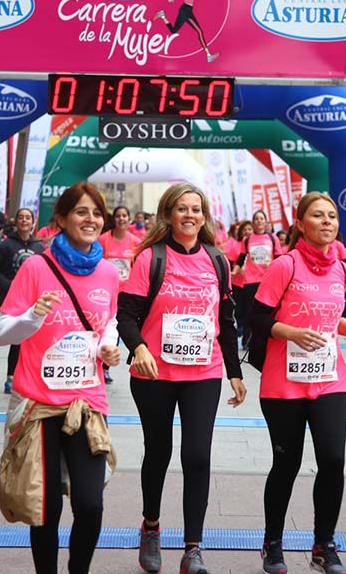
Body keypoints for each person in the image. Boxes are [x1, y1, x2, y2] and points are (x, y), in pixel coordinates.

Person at [0, 183, 122, 574]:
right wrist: (34, 316)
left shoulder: (108, 273)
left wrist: (109, 348)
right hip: (39, 405)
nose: (91, 220)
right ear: (62, 219)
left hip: (86, 405)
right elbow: (0, 334)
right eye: (81, 212)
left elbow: (108, 323)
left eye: (97, 213)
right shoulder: (36, 267)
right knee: (45, 507)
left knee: (90, 503)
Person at [117, 183, 247, 574]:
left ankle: (193, 549)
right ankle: (151, 527)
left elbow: (225, 321)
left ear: (204, 217)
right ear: (169, 215)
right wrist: (139, 347)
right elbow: (125, 316)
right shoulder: (150, 259)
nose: (190, 215)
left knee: (196, 456)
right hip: (154, 372)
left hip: (202, 373)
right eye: (182, 209)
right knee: (158, 452)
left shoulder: (217, 260)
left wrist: (235, 372)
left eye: (197, 209)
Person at [249, 193, 346, 574]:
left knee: (333, 460)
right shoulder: (286, 265)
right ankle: (272, 543)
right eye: (318, 215)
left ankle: (325, 544)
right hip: (284, 383)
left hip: (329, 379)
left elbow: (330, 316)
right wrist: (293, 333)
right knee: (287, 463)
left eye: (332, 216)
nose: (327, 221)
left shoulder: (342, 269)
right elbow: (257, 318)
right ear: (301, 223)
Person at [0, 208, 46, 394]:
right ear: (16, 221)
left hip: (32, 302)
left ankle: (27, 377)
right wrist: (8, 285)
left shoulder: (39, 248)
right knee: (17, 341)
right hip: (8, 302)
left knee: (30, 341)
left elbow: (46, 274)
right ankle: (11, 377)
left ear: (33, 221)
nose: (24, 221)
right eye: (21, 217)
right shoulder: (6, 245)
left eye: (28, 218)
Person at [234, 210, 283, 347]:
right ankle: (247, 339)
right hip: (251, 280)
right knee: (250, 310)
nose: (259, 221)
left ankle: (265, 340)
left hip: (268, 279)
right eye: (256, 219)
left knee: (268, 311)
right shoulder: (247, 239)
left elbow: (280, 259)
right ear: (253, 222)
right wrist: (234, 271)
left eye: (262, 218)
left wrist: (272, 265)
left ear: (266, 222)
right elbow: (242, 257)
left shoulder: (273, 239)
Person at [152, 0, 220, 63]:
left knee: (174, 30)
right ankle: (208, 55)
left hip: (188, 10)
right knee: (199, 31)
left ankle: (163, 16)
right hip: (185, 10)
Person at [99, 205, 140, 281]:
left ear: (129, 219)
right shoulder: (102, 239)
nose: (121, 218)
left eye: (124, 216)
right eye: (118, 216)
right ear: (114, 219)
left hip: (127, 288)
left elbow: (139, 268)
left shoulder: (136, 242)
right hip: (107, 284)